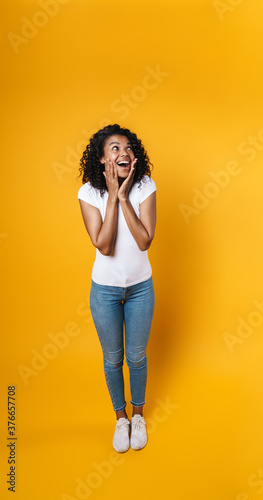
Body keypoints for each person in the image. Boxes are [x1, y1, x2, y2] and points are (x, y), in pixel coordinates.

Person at [77, 124, 157, 453]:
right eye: (114, 147)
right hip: (105, 292)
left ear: (134, 157)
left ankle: (138, 416)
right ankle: (120, 418)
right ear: (101, 159)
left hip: (140, 289)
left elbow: (144, 239)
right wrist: (112, 195)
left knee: (136, 358)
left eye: (127, 147)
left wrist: (124, 196)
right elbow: (104, 246)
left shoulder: (145, 187)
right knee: (113, 360)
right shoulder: (88, 193)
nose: (123, 151)